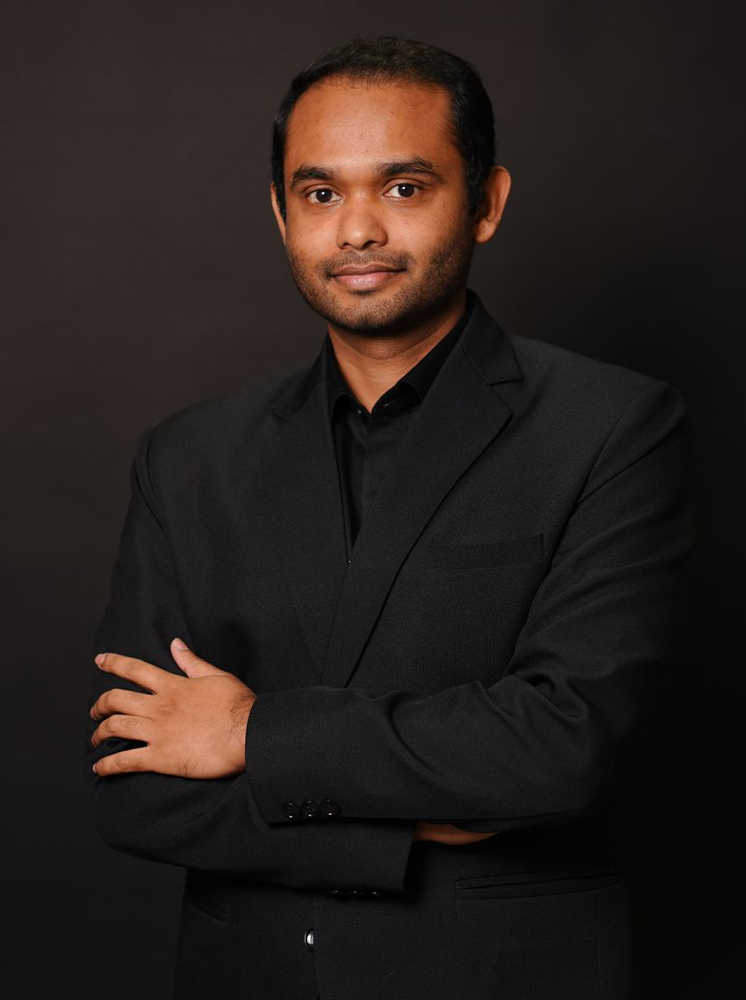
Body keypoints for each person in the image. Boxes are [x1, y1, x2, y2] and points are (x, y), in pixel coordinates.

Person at [85, 35, 692, 1000]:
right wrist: (405, 825)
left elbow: (560, 747)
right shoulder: (188, 455)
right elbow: (137, 790)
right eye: (321, 193)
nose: (358, 228)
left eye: (403, 187)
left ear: (486, 201)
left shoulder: (613, 426)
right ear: (281, 213)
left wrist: (251, 734)